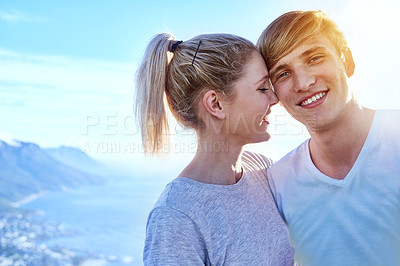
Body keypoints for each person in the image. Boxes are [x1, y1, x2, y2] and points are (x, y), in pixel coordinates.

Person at [135, 32, 294, 265]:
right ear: (216, 104)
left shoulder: (263, 170)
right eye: (262, 89)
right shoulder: (176, 217)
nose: (274, 99)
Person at [257, 10, 400, 265]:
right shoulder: (278, 185)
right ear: (274, 94)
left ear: (346, 59)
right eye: (283, 73)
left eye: (314, 58)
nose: (304, 82)